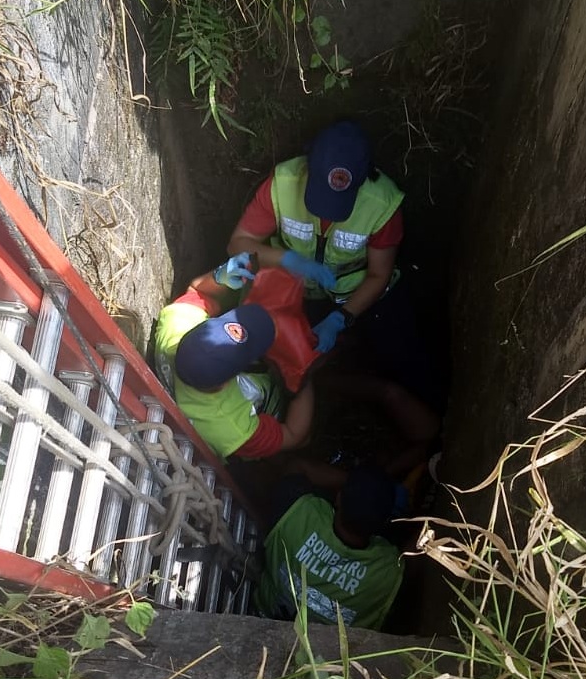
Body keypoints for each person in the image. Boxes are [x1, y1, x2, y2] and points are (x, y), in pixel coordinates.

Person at [227, 119, 405, 355]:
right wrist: (288, 259)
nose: (326, 212)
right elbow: (237, 245)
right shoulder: (282, 184)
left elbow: (379, 274)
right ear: (308, 164)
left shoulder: (382, 204)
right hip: (294, 290)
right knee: (262, 351)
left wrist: (341, 319)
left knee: (400, 353)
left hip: (354, 297)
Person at [153, 253, 314, 461]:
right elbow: (294, 435)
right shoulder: (233, 429)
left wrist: (220, 276)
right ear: (226, 382)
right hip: (268, 406)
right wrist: (303, 376)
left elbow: (198, 291)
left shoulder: (177, 325)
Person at [254, 464, 404, 630]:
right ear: (385, 522)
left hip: (261, 618)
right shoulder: (389, 572)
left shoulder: (298, 511)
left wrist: (355, 483)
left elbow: (296, 467)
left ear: (338, 497)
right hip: (321, 654)